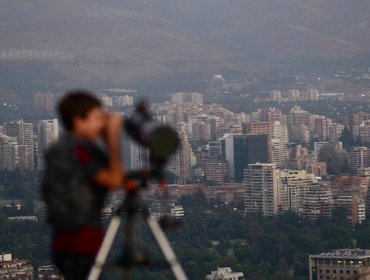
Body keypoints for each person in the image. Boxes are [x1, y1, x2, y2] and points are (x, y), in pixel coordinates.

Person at [41, 90, 125, 280]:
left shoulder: (63, 147)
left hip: (64, 242)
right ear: (79, 121)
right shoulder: (80, 151)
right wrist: (112, 138)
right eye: (97, 118)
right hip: (81, 243)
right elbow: (115, 180)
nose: (102, 123)